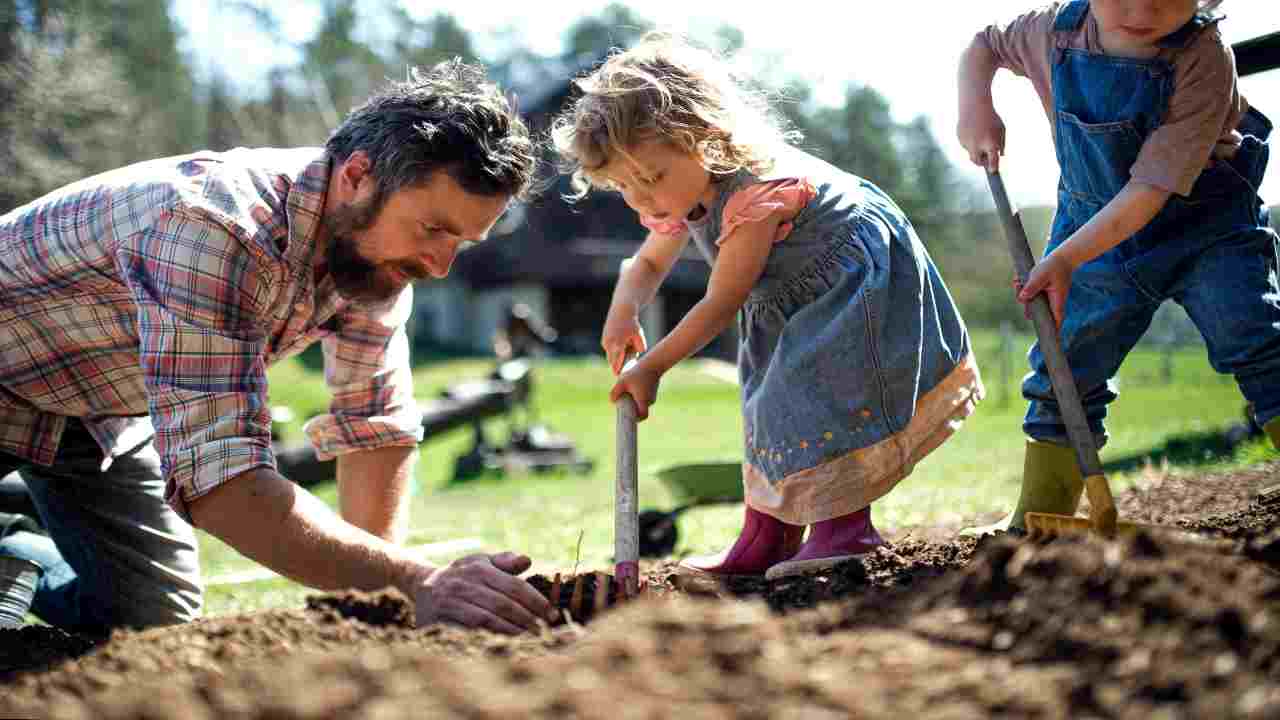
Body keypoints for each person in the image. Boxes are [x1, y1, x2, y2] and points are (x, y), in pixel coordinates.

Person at [0, 60, 557, 635]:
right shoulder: (210, 225)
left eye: (462, 243)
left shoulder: (374, 262)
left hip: (92, 413)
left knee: (153, 622)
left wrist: (382, 605)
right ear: (357, 177)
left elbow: (373, 430)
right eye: (433, 230)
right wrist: (421, 584)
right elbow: (222, 481)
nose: (439, 267)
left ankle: (10, 546)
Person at [551, 34, 984, 580]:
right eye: (625, 188)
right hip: (787, 297)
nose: (643, 201)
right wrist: (623, 314)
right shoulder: (679, 195)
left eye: (652, 179)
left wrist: (654, 365)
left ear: (704, 137)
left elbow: (721, 301)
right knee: (768, 407)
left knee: (824, 398)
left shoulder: (757, 194)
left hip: (847, 281)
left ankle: (845, 529)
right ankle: (766, 537)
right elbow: (644, 266)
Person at [957, 0, 1280, 534]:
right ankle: (1039, 521)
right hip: (1094, 233)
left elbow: (1150, 189)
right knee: (1066, 366)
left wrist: (1063, 259)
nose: (1142, 7)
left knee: (1251, 338)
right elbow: (985, 44)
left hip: (1207, 232)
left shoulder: (1204, 57)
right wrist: (976, 104)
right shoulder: (1053, 33)